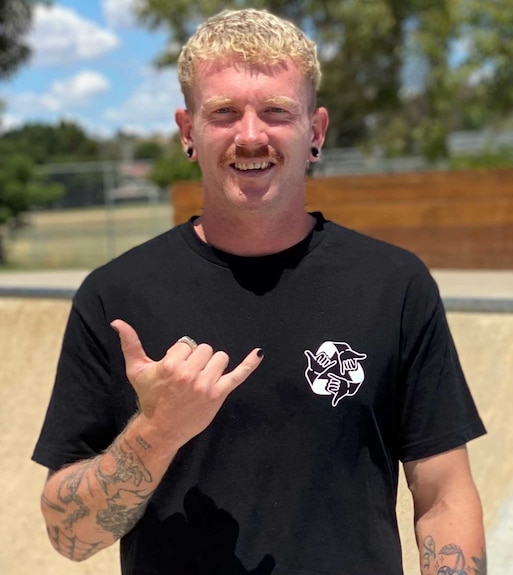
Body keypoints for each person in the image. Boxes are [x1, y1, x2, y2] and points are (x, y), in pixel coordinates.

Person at [32, 9, 486, 575]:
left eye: (276, 111)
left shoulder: (393, 285)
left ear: (314, 132)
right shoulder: (116, 296)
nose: (251, 136)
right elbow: (68, 536)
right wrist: (157, 431)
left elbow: (444, 495)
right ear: (187, 131)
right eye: (223, 113)